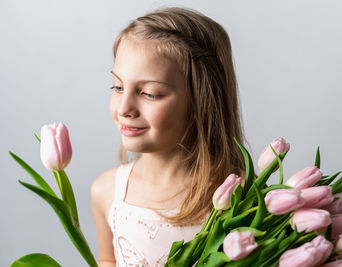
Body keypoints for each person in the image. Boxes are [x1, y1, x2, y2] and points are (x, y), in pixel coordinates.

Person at [90, 6, 246, 267]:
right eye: (117, 87)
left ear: (202, 101)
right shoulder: (106, 192)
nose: (124, 109)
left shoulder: (238, 197)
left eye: (149, 93)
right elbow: (107, 260)